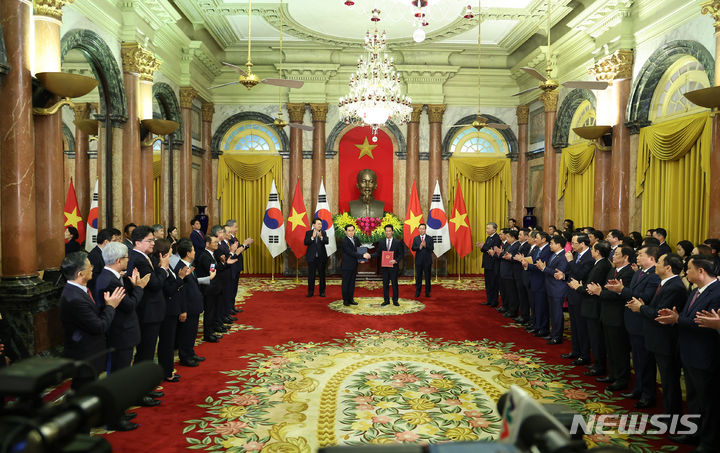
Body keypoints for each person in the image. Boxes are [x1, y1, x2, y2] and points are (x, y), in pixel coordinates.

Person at [656, 255, 720, 451]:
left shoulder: (717, 293)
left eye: (689, 269)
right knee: (693, 397)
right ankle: (694, 432)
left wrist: (677, 320)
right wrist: (677, 316)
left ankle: (708, 441)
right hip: (689, 353)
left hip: (705, 355)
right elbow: (689, 317)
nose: (685, 272)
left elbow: (705, 323)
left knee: (707, 401)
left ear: (701, 271)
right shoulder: (696, 290)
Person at [95, 241, 153, 424]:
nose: (129, 260)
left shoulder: (111, 276)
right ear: (119, 260)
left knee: (121, 373)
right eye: (127, 257)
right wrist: (139, 287)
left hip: (121, 332)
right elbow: (129, 305)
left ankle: (119, 411)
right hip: (120, 334)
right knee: (119, 376)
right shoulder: (110, 280)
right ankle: (115, 418)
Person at [627, 253, 687, 417]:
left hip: (666, 340)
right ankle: (659, 406)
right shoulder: (665, 283)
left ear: (668, 267)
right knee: (656, 374)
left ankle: (671, 417)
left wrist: (641, 308)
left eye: (659, 262)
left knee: (669, 381)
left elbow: (660, 313)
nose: (656, 265)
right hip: (655, 337)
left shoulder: (675, 286)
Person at [59, 252, 124, 390]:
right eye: (89, 266)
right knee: (84, 392)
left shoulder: (78, 290)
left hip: (90, 353)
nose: (93, 269)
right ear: (80, 274)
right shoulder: (74, 298)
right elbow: (99, 326)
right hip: (85, 355)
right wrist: (111, 306)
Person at [606, 245, 661, 408]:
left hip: (642, 323)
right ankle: (638, 388)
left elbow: (646, 297)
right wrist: (622, 290)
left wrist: (622, 290)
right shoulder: (638, 272)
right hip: (632, 321)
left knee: (645, 361)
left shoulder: (654, 276)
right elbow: (632, 292)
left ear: (651, 258)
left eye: (641, 255)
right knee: (636, 360)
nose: (637, 257)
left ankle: (648, 394)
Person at [126, 225, 169, 365]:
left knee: (147, 349)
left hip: (149, 310)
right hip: (148, 312)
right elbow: (155, 284)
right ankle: (142, 382)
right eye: (149, 240)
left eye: (153, 240)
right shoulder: (138, 259)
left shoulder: (143, 257)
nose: (153, 243)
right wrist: (163, 268)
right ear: (137, 242)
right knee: (146, 350)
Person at [570, 240, 612, 377]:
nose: (591, 251)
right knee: (593, 336)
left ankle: (599, 366)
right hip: (591, 305)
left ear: (598, 252)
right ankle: (597, 363)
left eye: (593, 249)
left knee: (596, 338)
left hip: (594, 306)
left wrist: (578, 287)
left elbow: (591, 287)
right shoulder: (599, 263)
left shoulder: (602, 265)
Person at [558, 233, 594, 365]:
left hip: (581, 296)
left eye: (574, 243)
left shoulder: (589, 257)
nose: (571, 246)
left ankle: (584, 355)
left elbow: (580, 274)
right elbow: (572, 272)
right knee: (574, 325)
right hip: (572, 294)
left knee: (582, 327)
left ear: (582, 244)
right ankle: (575, 351)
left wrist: (570, 261)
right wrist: (564, 275)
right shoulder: (576, 255)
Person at [174, 239, 209, 367]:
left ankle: (191, 352)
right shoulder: (180, 267)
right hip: (187, 306)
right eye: (193, 250)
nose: (195, 252)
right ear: (188, 253)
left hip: (194, 305)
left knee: (192, 332)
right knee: (186, 333)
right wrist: (183, 309)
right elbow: (181, 290)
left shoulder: (189, 266)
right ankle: (185, 357)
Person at [537, 235, 568, 344]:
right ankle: (553, 333)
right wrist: (545, 268)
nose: (550, 245)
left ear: (559, 245)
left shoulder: (563, 257)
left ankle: (557, 336)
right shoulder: (554, 255)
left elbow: (559, 272)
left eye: (552, 243)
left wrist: (544, 268)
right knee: (552, 313)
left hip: (557, 289)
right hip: (550, 287)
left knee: (557, 314)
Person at [523, 231, 552, 338]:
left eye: (537, 238)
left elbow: (540, 266)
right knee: (536, 306)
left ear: (544, 239)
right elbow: (534, 262)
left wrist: (528, 265)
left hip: (542, 281)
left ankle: (543, 328)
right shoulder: (537, 249)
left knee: (542, 307)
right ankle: (537, 326)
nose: (535, 239)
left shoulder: (547, 250)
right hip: (534, 280)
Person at [195, 234, 222, 342]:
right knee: (209, 312)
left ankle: (211, 331)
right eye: (215, 242)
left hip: (213, 288)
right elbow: (212, 270)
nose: (217, 244)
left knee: (213, 310)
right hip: (208, 289)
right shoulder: (205, 256)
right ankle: (208, 334)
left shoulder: (212, 254)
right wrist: (223, 264)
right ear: (207, 244)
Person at [372, 225, 404, 306]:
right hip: (385, 267)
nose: (388, 232)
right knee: (385, 283)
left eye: (389, 231)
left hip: (394, 267)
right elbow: (378, 253)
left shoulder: (397, 242)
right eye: (386, 231)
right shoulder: (381, 242)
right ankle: (386, 300)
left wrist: (395, 260)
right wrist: (370, 255)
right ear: (385, 232)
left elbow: (401, 254)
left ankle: (395, 300)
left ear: (392, 232)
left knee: (394, 283)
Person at [340, 225, 370, 306]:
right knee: (346, 283)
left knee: (352, 283)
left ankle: (351, 299)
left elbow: (359, 248)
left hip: (354, 265)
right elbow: (351, 252)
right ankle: (345, 300)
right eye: (349, 230)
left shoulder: (356, 239)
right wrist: (362, 256)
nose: (351, 232)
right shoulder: (344, 241)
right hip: (346, 266)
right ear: (345, 231)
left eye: (352, 230)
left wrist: (362, 259)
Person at [479, 223, 502, 307]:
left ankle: (494, 301)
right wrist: (483, 247)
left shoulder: (497, 238)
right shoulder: (488, 237)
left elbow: (492, 250)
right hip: (487, 264)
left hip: (493, 264)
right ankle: (489, 300)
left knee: (493, 283)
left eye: (488, 228)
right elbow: (486, 249)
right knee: (488, 283)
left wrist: (483, 246)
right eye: (486, 228)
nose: (487, 230)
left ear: (494, 229)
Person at [497, 229, 520, 318]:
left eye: (508, 237)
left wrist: (502, 253)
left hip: (510, 273)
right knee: (507, 292)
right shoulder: (510, 245)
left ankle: (512, 310)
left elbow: (507, 256)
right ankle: (508, 308)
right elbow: (504, 254)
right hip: (505, 271)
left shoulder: (516, 245)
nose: (506, 238)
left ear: (513, 238)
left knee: (512, 293)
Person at [304, 218, 329, 297]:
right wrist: (312, 237)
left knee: (322, 276)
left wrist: (321, 237)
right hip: (312, 258)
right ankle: (310, 292)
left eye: (321, 224)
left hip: (321, 258)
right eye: (318, 224)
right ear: (313, 225)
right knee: (311, 276)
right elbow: (306, 242)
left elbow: (326, 241)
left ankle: (322, 292)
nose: (320, 225)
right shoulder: (308, 233)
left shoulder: (323, 232)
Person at [87, 227, 116, 293]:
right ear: (106, 242)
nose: (116, 244)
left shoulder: (105, 252)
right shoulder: (94, 255)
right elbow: (94, 277)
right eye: (114, 241)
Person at [411, 223, 434, 298]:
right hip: (418, 261)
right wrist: (419, 247)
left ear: (425, 230)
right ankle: (418, 292)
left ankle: (427, 292)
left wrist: (426, 246)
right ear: (418, 230)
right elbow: (413, 248)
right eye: (420, 229)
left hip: (427, 261)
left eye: (423, 229)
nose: (422, 230)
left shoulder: (430, 238)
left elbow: (432, 248)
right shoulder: (416, 238)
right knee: (418, 277)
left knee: (427, 277)